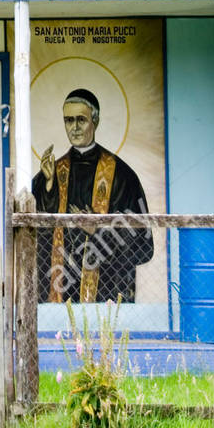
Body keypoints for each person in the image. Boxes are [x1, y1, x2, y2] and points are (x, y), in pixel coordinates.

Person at [31, 88, 154, 303]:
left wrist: (99, 229)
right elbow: (36, 232)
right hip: (61, 284)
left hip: (107, 288)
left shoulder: (122, 176)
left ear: (95, 122)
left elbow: (143, 244)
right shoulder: (51, 173)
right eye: (69, 120)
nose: (75, 127)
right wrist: (49, 186)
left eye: (81, 120)